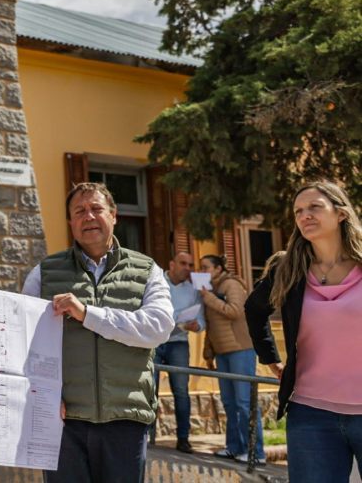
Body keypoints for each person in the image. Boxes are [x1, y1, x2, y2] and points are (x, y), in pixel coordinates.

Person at [22, 182, 174, 483]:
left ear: (114, 215)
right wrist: (41, 393)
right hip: (63, 419)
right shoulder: (44, 273)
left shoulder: (147, 270)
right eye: (79, 211)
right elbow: (25, 340)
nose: (88, 216)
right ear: (70, 222)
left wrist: (88, 315)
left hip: (125, 418)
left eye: (96, 208)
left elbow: (159, 327)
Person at [246, 180, 362, 482]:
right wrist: (270, 358)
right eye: (298, 211)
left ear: (341, 213)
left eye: (314, 207)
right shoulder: (288, 269)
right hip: (311, 414)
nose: (304, 215)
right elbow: (254, 309)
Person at [199, 254, 264, 464]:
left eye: (205, 267)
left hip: (240, 350)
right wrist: (208, 353)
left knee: (245, 402)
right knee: (229, 403)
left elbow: (236, 311)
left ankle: (256, 453)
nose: (202, 272)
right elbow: (211, 325)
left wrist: (209, 299)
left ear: (218, 269)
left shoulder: (231, 284)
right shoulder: (210, 290)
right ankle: (235, 447)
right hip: (222, 352)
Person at [154, 252, 204, 453]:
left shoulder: (194, 289)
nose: (188, 268)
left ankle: (183, 439)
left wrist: (196, 326)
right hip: (155, 342)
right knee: (150, 390)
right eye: (183, 263)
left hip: (179, 343)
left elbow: (201, 320)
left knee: (181, 392)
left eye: (191, 265)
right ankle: (148, 437)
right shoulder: (156, 280)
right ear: (172, 264)